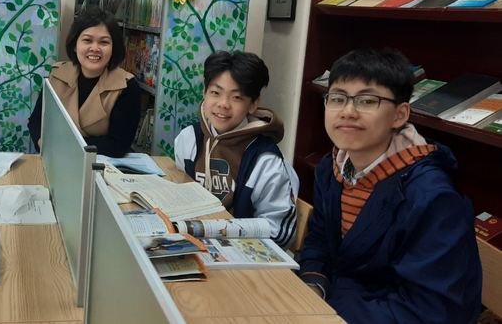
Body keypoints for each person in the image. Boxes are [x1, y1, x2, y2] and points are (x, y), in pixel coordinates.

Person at [299, 48, 482, 324]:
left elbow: (429, 312)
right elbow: (319, 240)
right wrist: (313, 286)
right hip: (337, 304)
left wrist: (328, 312)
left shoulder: (433, 198)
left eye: (367, 100)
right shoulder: (332, 167)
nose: (347, 111)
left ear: (399, 115)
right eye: (337, 98)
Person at [174, 51, 299, 249]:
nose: (223, 104)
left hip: (239, 253)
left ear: (253, 105)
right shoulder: (188, 139)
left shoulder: (266, 160)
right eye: (215, 93)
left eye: (237, 97)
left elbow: (279, 234)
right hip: (191, 243)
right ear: (204, 93)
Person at [28, 8, 140, 158]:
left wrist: (62, 145)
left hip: (100, 167)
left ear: (113, 48)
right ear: (75, 45)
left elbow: (117, 145)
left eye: (104, 42)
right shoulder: (57, 75)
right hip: (56, 160)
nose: (95, 48)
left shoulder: (127, 86)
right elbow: (36, 122)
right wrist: (43, 143)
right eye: (87, 40)